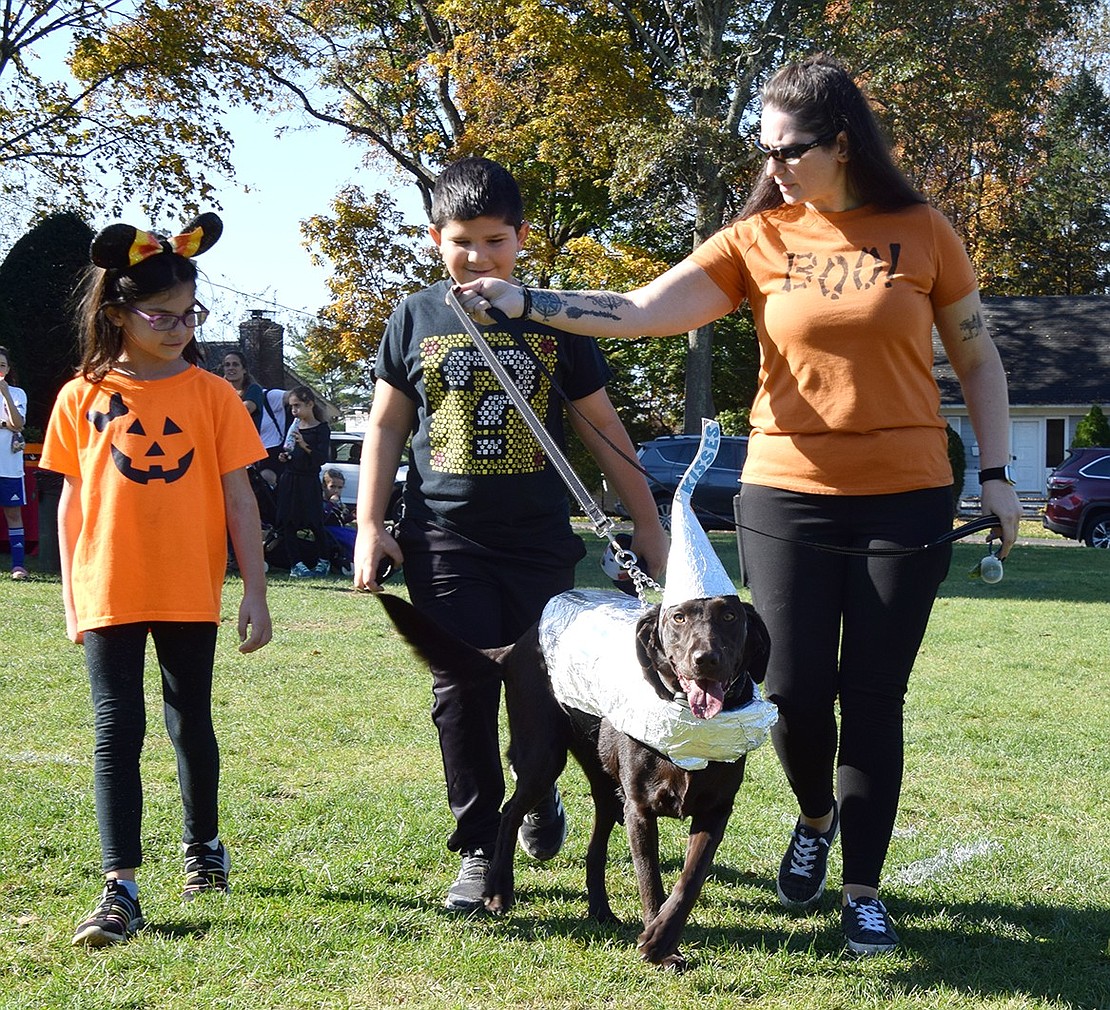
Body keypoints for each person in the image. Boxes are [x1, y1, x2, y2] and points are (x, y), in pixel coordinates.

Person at [455, 56, 1023, 954]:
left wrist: (996, 474)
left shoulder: (923, 232)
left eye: (789, 150)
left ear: (842, 142)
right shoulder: (757, 239)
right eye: (764, 151)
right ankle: (813, 818)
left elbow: (980, 360)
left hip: (908, 496)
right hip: (787, 494)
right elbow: (643, 310)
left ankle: (862, 890)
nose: (774, 167)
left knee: (875, 696)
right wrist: (532, 301)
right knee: (793, 693)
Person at [353, 156, 669, 913]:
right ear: (436, 239)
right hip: (443, 541)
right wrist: (369, 523)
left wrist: (650, 528)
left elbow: (600, 430)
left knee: (541, 696)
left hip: (538, 545)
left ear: (522, 239)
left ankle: (535, 798)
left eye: (495, 240)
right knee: (460, 687)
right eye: (462, 241)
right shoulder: (415, 317)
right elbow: (388, 426)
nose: (478, 256)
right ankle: (475, 849)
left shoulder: (555, 317)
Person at [39, 212, 272, 948]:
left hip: (187, 588)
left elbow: (240, 498)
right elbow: (74, 500)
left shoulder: (212, 395)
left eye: (189, 314)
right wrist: (73, 590)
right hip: (109, 585)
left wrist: (256, 592)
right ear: (116, 313)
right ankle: (121, 887)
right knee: (117, 729)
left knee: (187, 719)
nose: (179, 328)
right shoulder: (81, 395)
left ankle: (203, 845)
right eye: (161, 316)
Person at [276, 385, 330, 578]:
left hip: (308, 481)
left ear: (310, 404)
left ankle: (324, 560)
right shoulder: (294, 426)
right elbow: (289, 451)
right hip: (290, 479)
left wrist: (304, 445)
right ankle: (296, 564)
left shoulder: (321, 429)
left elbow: (320, 458)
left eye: (297, 406)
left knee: (314, 522)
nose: (294, 411)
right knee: (288, 522)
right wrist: (285, 456)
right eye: (291, 407)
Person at [0, 345, 29, 579]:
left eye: (1, 365)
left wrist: (6, 394)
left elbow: (17, 424)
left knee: (13, 514)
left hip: (9, 467)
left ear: (8, 369)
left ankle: (18, 566)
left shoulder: (18, 393)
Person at [221, 350, 265, 431]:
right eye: (227, 365)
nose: (231, 368)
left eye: (235, 364)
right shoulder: (220, 392)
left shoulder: (254, 389)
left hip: (247, 441)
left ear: (244, 369)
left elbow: (243, 410)